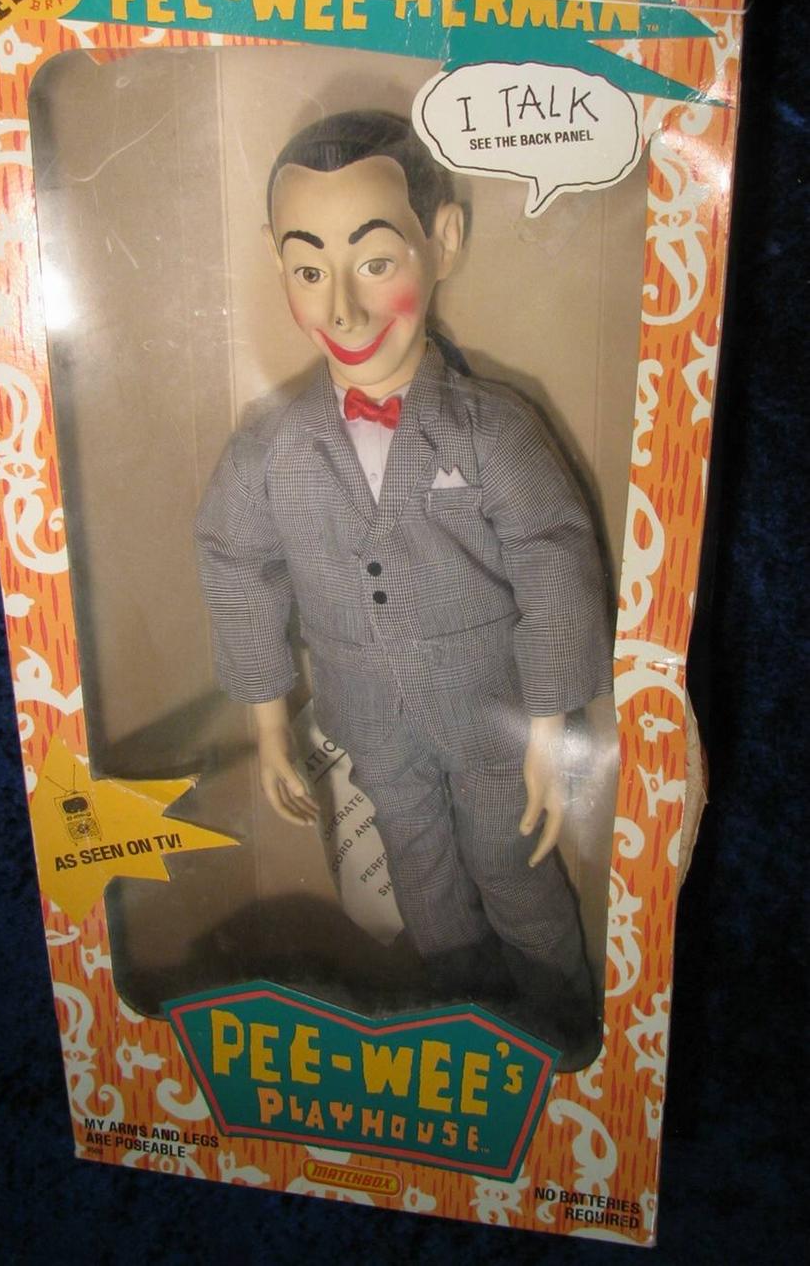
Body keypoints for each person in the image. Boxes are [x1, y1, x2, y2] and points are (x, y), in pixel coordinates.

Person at [194, 110, 613, 1065]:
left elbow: (555, 558)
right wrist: (268, 719)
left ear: (444, 240)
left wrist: (551, 725)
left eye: (375, 262)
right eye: (308, 270)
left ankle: (561, 1039)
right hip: (369, 720)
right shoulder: (274, 449)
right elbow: (234, 559)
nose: (342, 309)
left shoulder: (491, 430)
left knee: (516, 871)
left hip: (491, 716)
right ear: (274, 260)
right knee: (422, 878)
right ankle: (461, 1027)